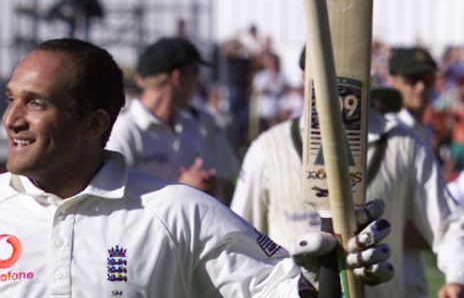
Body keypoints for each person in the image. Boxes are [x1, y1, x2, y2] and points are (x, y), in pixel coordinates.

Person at [0, 38, 393, 297]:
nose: (11, 120)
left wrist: (335, 270)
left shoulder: (179, 213)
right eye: (10, 100)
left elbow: (286, 290)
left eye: (35, 104)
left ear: (93, 124)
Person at [231, 50, 464, 298]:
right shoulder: (268, 149)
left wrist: (456, 278)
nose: (337, 82)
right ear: (303, 76)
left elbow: (447, 223)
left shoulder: (404, 145)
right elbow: (238, 243)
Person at [106, 37, 239, 204]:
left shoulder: (191, 125)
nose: (198, 83)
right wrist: (182, 190)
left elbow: (220, 182)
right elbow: (113, 202)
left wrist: (209, 186)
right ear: (178, 77)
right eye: (196, 72)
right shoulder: (124, 130)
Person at [385, 47, 446, 297]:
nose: (420, 87)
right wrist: (441, 231)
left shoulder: (422, 131)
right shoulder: (389, 133)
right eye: (411, 80)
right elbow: (392, 219)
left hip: (410, 275)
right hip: (389, 277)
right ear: (393, 81)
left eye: (427, 80)